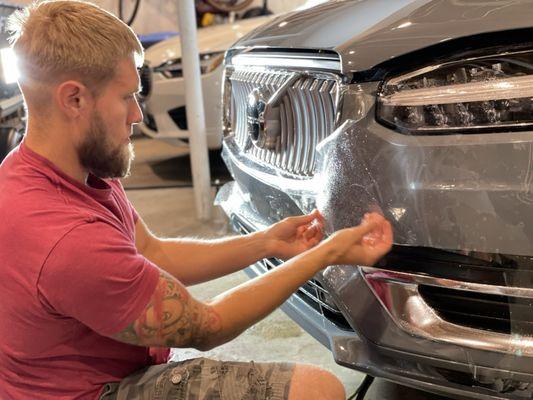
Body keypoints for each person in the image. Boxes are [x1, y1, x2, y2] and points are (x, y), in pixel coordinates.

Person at [0, 1, 393, 399]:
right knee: (316, 390)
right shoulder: (66, 238)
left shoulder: (63, 169)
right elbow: (209, 325)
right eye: (126, 97)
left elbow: (152, 252)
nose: (137, 114)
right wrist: (324, 255)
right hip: (85, 392)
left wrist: (265, 244)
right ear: (75, 100)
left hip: (72, 374)